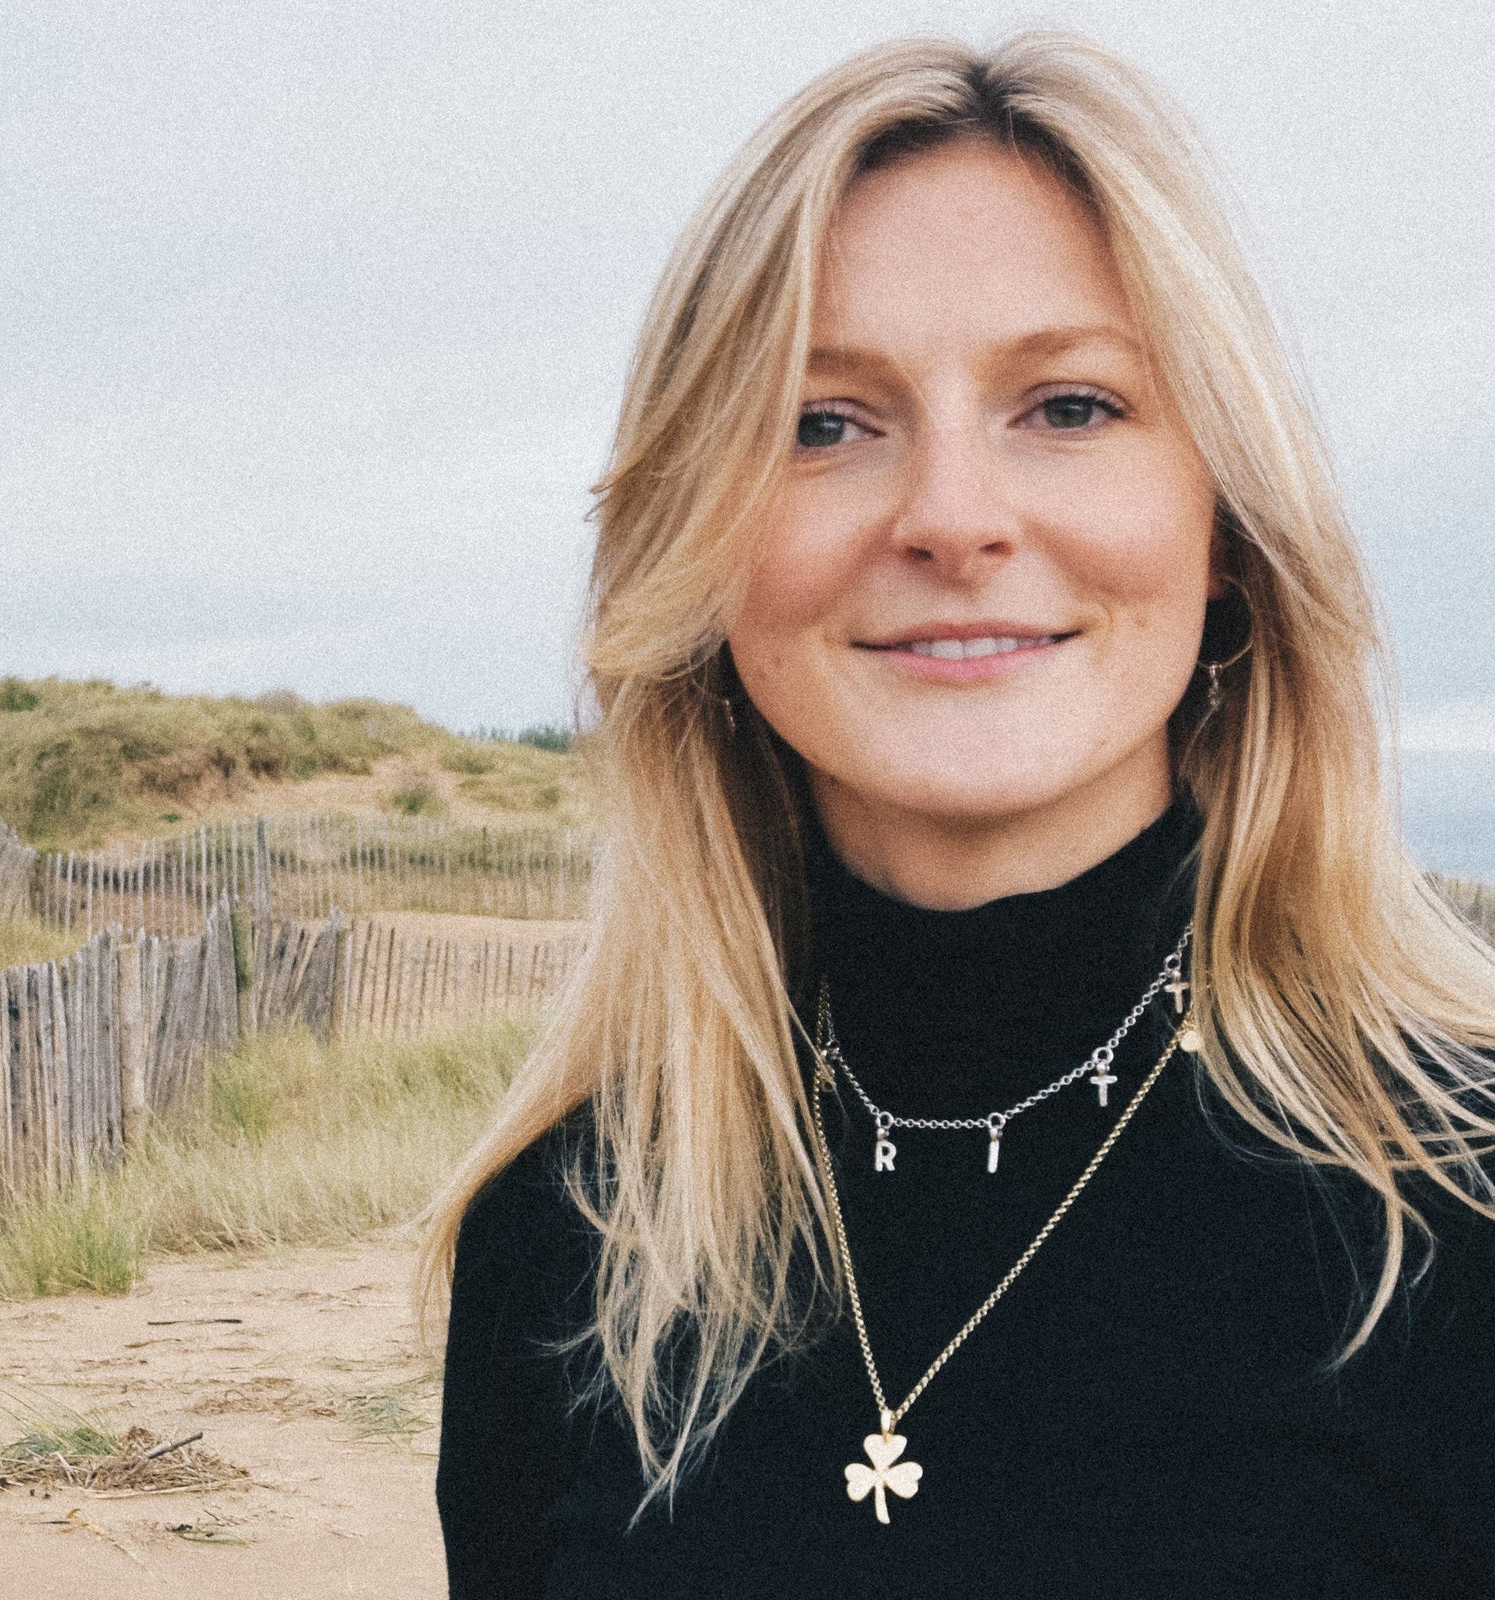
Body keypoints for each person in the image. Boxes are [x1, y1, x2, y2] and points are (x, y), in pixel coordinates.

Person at [422, 33, 1495, 1598]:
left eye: (1067, 406)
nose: (952, 520)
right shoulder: (572, 1235)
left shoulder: (1454, 1200)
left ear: (1225, 525)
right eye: (822, 423)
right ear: (700, 545)